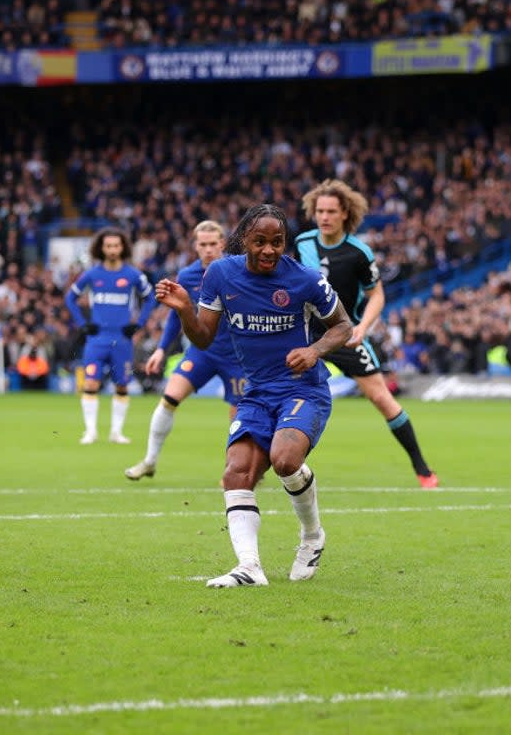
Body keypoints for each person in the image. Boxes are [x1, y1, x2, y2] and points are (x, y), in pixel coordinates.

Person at [154, 204, 352, 587]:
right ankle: (250, 567)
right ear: (244, 239)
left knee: (284, 459)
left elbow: (342, 325)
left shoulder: (305, 280)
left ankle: (312, 537)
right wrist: (183, 310)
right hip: (257, 392)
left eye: (277, 242)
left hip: (304, 389)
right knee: (235, 473)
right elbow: (204, 337)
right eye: (260, 241)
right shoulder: (221, 274)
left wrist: (315, 351)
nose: (268, 250)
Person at [296, 179, 439, 488]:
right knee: (279, 393)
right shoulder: (301, 243)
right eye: (320, 211)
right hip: (306, 336)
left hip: (344, 335)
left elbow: (377, 295)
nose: (324, 217)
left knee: (382, 399)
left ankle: (422, 469)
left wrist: (362, 327)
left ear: (345, 213)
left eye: (331, 211)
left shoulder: (358, 252)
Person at [125, 221, 248, 481]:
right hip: (202, 351)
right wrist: (161, 350)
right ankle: (149, 461)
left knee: (239, 416)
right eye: (202, 244)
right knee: (169, 399)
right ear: (195, 246)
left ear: (222, 244)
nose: (208, 249)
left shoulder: (238, 270)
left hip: (237, 356)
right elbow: (175, 316)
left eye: (213, 244)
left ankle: (238, 470)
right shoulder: (188, 275)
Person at [65, 228, 155, 445]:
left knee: (122, 385)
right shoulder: (92, 274)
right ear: (101, 249)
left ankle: (116, 432)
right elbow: (70, 298)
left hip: (122, 341)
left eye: (116, 245)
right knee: (91, 383)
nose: (113, 250)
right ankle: (90, 432)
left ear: (122, 247)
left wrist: (139, 324)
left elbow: (150, 298)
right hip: (96, 340)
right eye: (108, 246)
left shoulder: (133, 274)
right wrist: (83, 325)